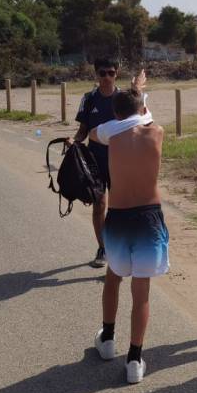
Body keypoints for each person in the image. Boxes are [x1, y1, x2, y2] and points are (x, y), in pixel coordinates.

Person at [90, 72, 166, 384]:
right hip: (149, 216)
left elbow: (94, 132)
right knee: (142, 290)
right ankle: (134, 359)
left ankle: (108, 339)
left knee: (113, 277)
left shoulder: (111, 134)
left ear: (116, 114)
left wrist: (132, 96)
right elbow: (144, 117)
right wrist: (138, 92)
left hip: (119, 215)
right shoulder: (156, 132)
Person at [70, 58, 120, 268]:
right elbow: (83, 130)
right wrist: (74, 141)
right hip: (95, 161)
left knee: (119, 207)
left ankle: (119, 250)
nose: (107, 77)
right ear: (96, 74)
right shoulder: (89, 99)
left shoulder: (124, 99)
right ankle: (103, 248)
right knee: (99, 205)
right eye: (102, 73)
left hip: (120, 161)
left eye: (111, 73)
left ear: (116, 73)